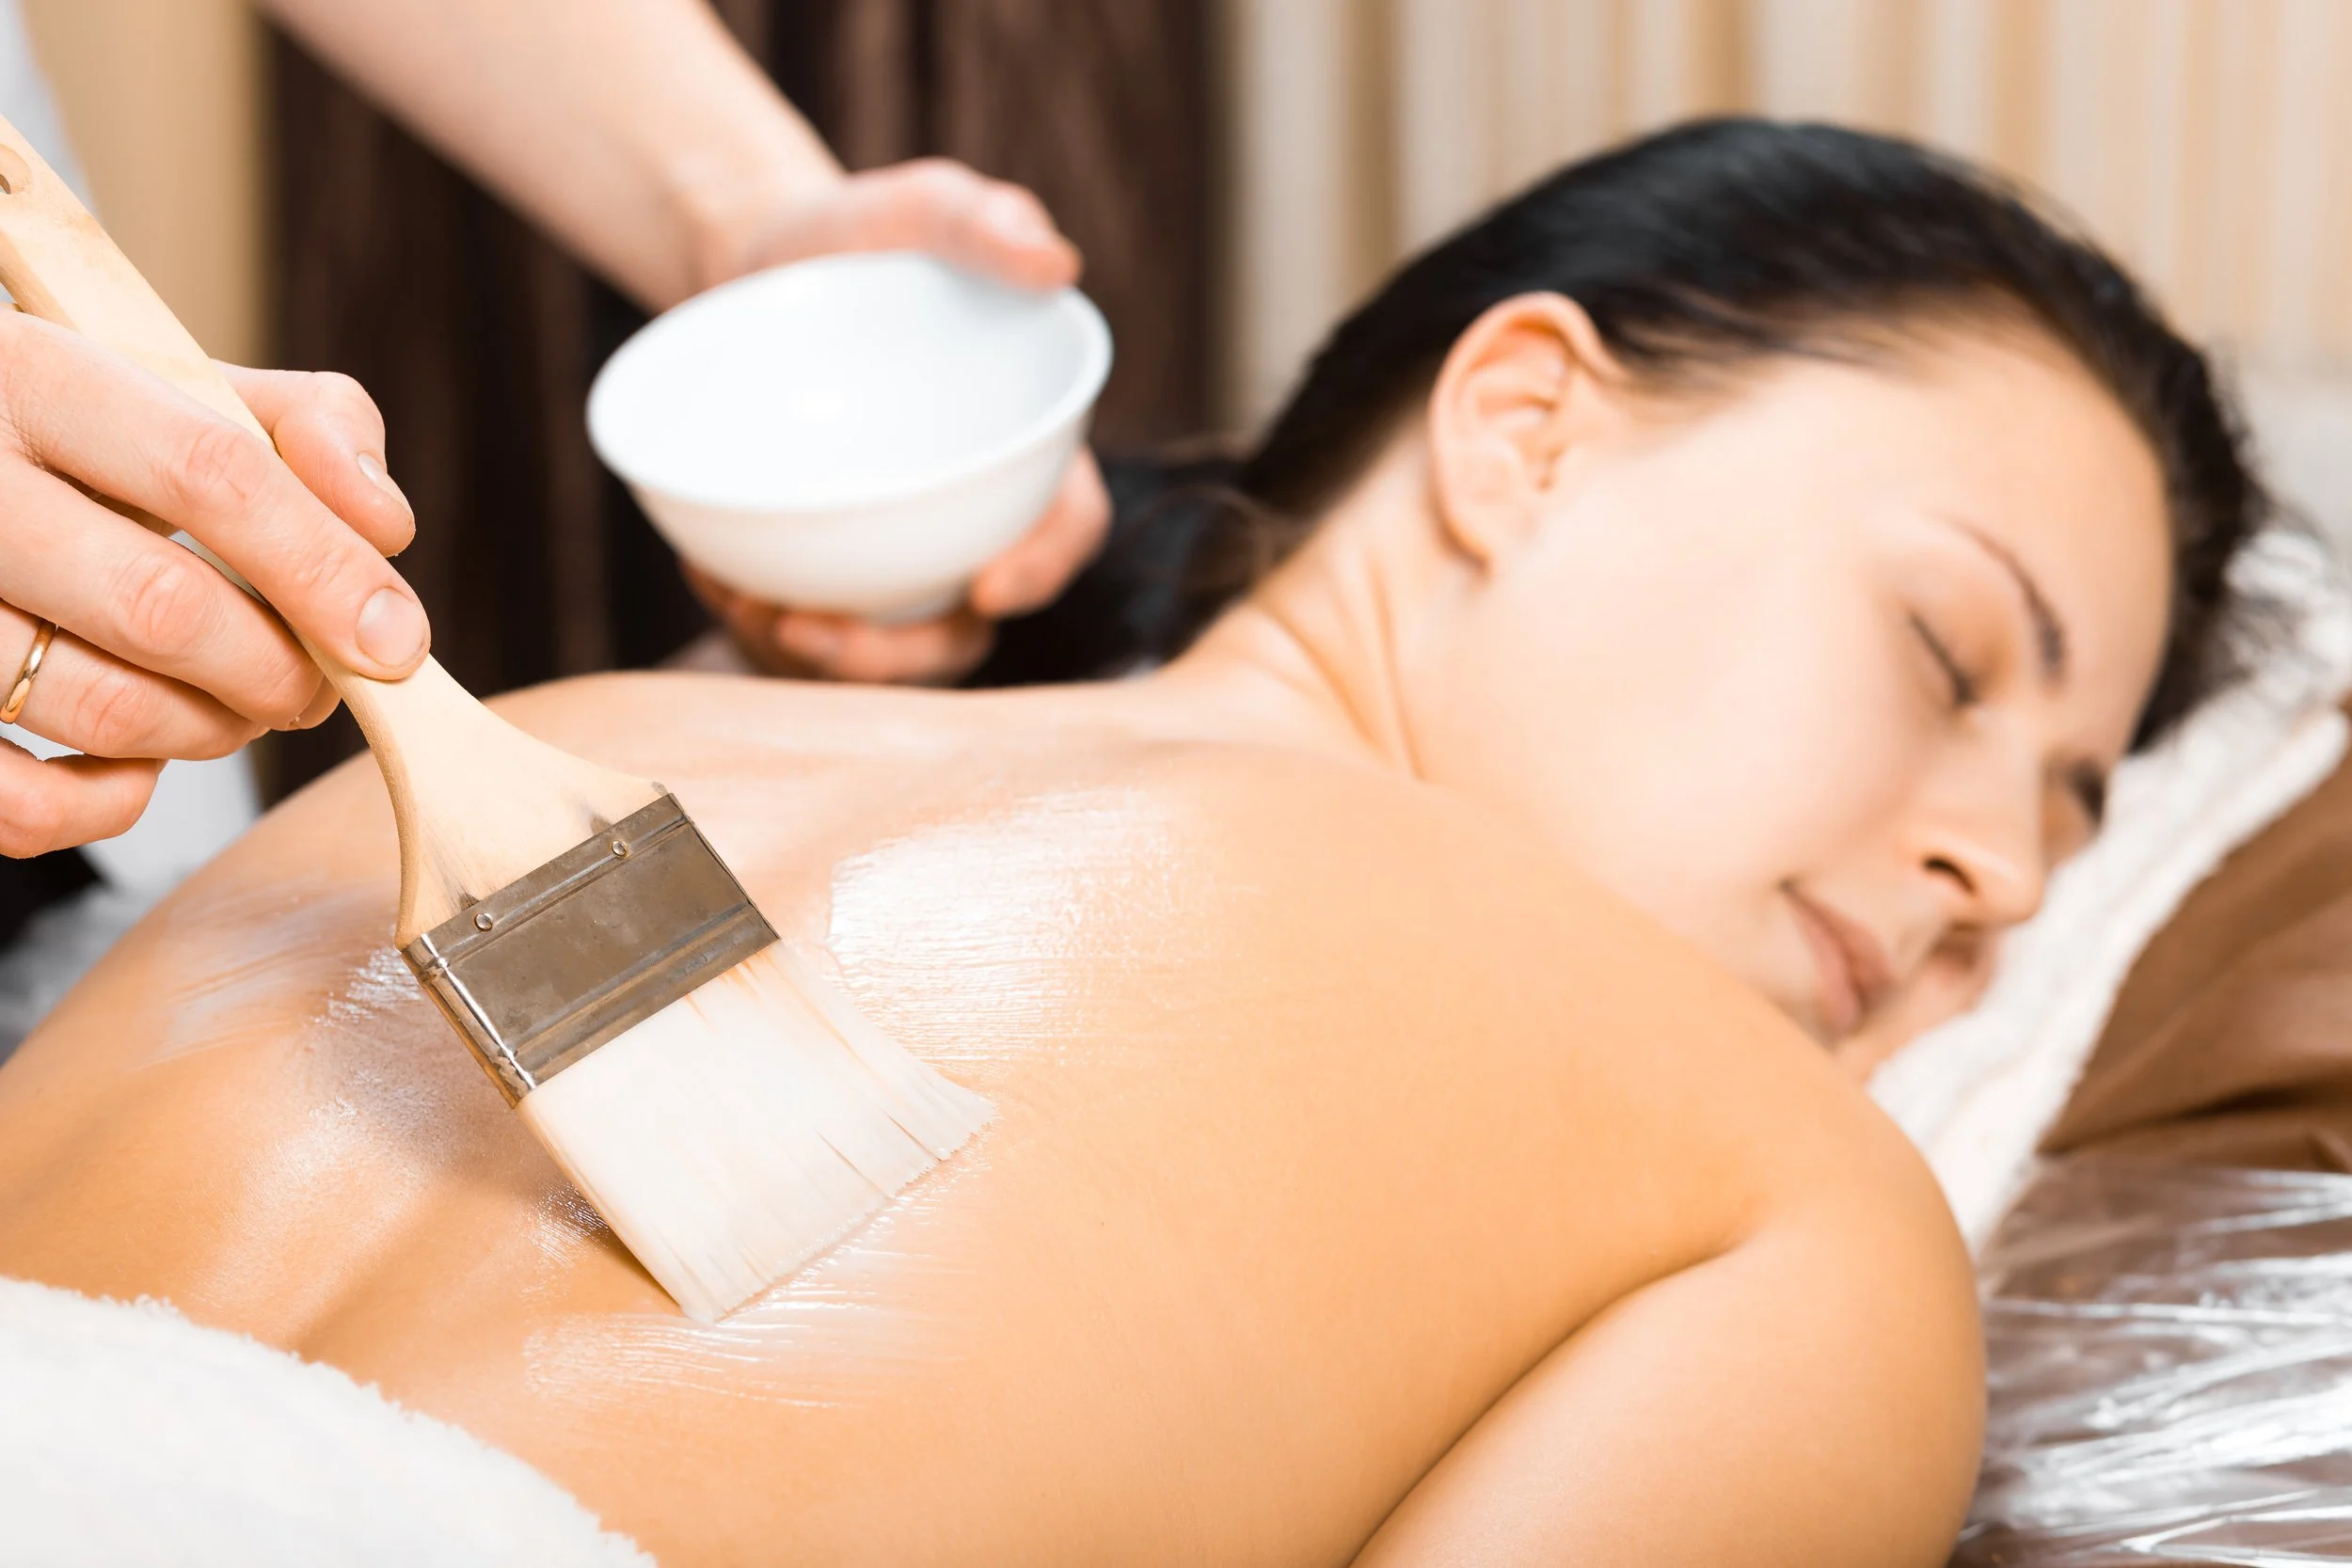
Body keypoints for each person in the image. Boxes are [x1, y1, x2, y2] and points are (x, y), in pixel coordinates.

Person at [0, 122, 2259, 1563]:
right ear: (1525, 430)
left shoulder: (578, 729)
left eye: (2073, 810)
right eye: (1952, 654)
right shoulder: (1782, 1194)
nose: (2003, 876)